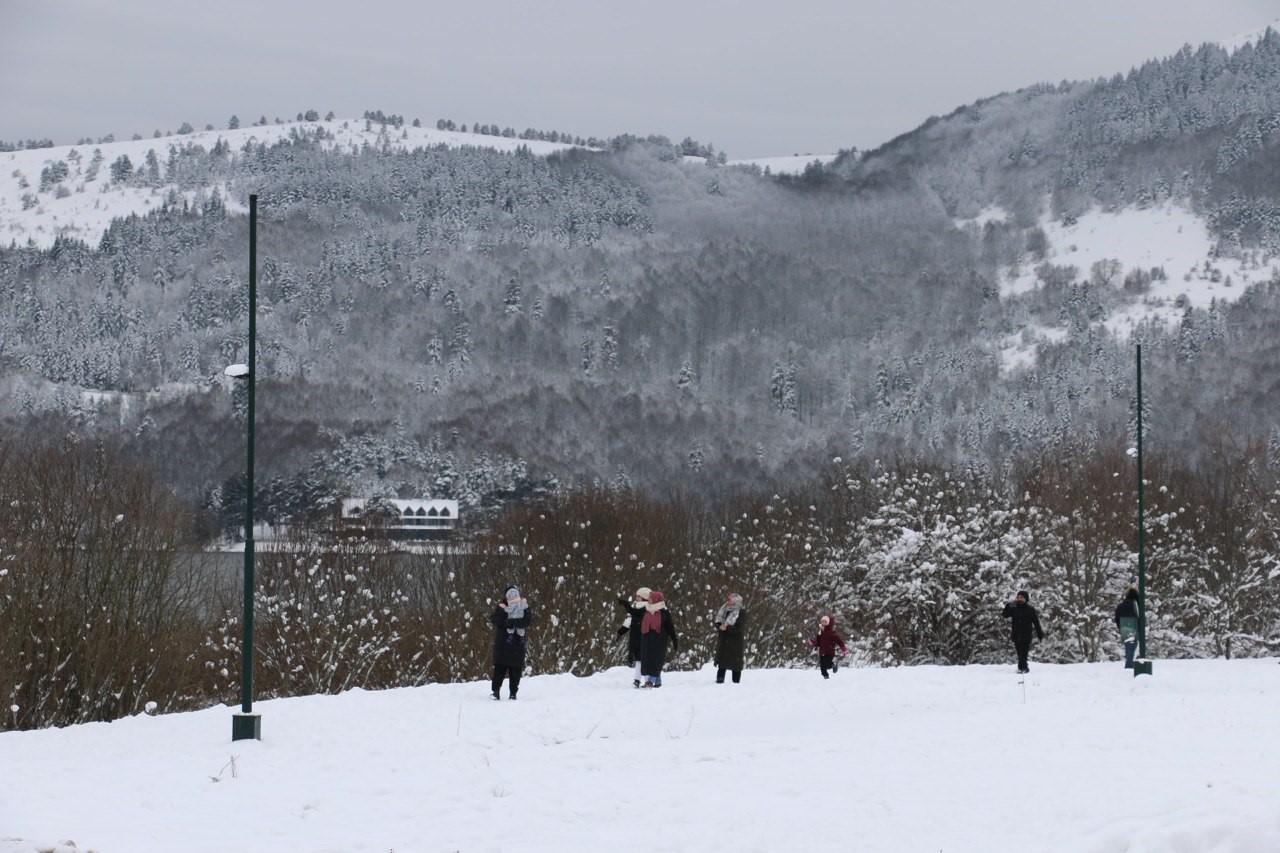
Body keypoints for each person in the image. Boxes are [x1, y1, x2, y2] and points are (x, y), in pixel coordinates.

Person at [490, 586, 532, 700]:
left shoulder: (523, 606)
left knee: (515, 671)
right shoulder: (501, 607)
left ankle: (513, 693)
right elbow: (494, 619)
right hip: (503, 644)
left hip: (517, 644)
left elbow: (527, 620)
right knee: (500, 669)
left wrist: (515, 622)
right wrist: (505, 622)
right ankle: (495, 691)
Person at [639, 590, 678, 688]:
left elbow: (670, 627)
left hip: (659, 641)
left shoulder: (664, 612)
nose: (649, 600)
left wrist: (674, 639)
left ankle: (650, 682)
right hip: (647, 640)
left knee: (656, 660)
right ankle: (657, 681)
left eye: (651, 598)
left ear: (656, 599)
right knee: (647, 660)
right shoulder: (646, 610)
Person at [1001, 590, 1044, 674]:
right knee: (1019, 652)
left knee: (1023, 653)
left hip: (1026, 635)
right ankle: (1025, 667)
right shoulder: (1014, 608)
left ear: (1026, 599)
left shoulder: (1030, 609)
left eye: (1021, 597)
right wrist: (1007, 606)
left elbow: (1036, 622)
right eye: (1018, 597)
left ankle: (1021, 668)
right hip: (1016, 634)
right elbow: (1004, 615)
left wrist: (1040, 633)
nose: (1019, 599)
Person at [616, 587, 651, 688]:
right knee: (639, 659)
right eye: (636, 595)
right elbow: (628, 622)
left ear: (644, 598)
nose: (636, 597)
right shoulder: (634, 607)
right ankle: (637, 680)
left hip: (646, 637)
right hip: (635, 637)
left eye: (639, 596)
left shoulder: (649, 608)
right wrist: (620, 632)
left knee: (644, 659)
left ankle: (648, 681)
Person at [713, 593, 746, 684]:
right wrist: (718, 625)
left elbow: (739, 628)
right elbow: (719, 619)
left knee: (735, 664)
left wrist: (727, 628)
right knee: (722, 663)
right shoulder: (725, 609)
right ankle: (719, 679)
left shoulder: (741, 612)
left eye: (730, 600)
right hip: (724, 640)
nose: (728, 602)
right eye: (728, 600)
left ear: (736, 602)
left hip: (735, 643)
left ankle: (735, 683)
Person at [1114, 586, 1141, 669]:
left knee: (1128, 649)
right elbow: (1140, 617)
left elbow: (1117, 617)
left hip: (1124, 628)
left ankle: (1130, 666)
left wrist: (1121, 627)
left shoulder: (1121, 605)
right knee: (1134, 649)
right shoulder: (1136, 604)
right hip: (1135, 627)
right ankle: (1130, 667)